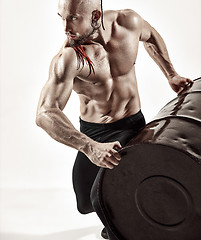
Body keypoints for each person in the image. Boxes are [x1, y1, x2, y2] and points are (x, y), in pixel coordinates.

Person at [36, 0, 193, 238]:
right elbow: (45, 113)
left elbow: (151, 37)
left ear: (95, 15)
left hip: (132, 125)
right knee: (85, 203)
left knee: (104, 200)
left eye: (74, 18)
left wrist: (171, 74)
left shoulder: (128, 22)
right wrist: (91, 147)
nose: (65, 27)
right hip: (94, 133)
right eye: (62, 17)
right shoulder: (69, 58)